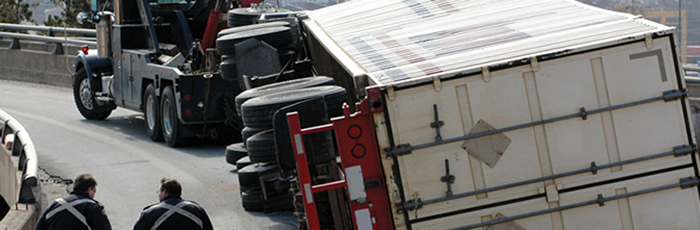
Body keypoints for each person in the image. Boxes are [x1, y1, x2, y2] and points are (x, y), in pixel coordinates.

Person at [35, 173, 112, 230]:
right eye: (94, 191)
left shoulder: (55, 204)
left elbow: (39, 227)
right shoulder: (92, 207)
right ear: (89, 190)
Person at [133, 178, 213, 230]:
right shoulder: (198, 210)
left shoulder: (148, 213)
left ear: (164, 192)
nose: (158, 194)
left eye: (159, 192)